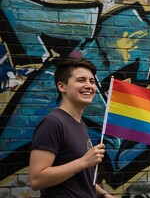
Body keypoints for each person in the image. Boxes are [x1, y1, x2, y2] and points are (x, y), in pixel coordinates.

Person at [29, 58, 114, 198]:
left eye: (92, 81)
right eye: (81, 80)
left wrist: (103, 194)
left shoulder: (80, 124)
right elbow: (36, 180)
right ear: (62, 87)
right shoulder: (53, 123)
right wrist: (84, 162)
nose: (89, 86)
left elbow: (79, 177)